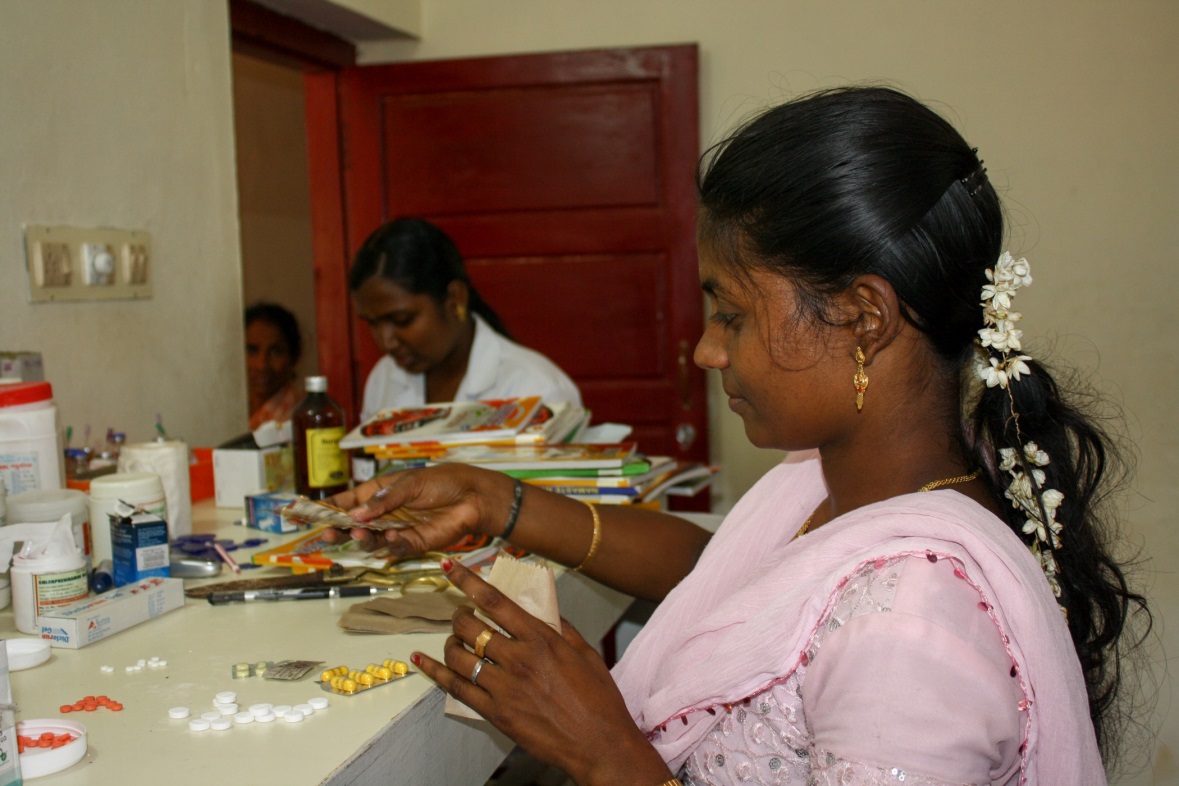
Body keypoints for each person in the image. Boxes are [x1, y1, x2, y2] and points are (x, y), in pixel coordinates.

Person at [323, 87, 1149, 785]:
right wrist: (499, 500)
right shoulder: (854, 479)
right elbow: (720, 581)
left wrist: (608, 753)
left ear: (863, 319)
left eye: (730, 314)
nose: (705, 350)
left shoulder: (912, 629)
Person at [349, 217, 581, 420]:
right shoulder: (385, 377)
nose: (386, 341)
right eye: (372, 323)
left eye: (402, 319)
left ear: (455, 298)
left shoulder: (537, 387)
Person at [245, 302, 303, 430]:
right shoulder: (227, 408)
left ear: (294, 357)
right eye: (252, 350)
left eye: (275, 352)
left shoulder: (300, 417)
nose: (262, 365)